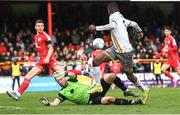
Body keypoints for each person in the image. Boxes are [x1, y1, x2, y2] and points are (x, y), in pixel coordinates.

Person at [88, 2, 149, 102]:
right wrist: (140, 31)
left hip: (125, 52)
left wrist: (96, 28)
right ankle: (98, 85)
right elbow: (134, 24)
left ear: (109, 11)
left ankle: (145, 89)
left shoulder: (113, 16)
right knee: (95, 61)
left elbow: (112, 25)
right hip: (115, 49)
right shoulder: (123, 18)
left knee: (129, 75)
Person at [6, 19, 63, 100]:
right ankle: (17, 94)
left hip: (50, 60)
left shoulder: (45, 36)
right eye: (38, 26)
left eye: (42, 26)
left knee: (62, 75)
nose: (40, 27)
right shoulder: (35, 37)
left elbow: (51, 48)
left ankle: (74, 88)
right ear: (35, 27)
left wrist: (47, 58)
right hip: (41, 61)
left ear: (43, 27)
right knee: (27, 76)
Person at [39, 71, 145, 106]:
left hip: (96, 89)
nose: (60, 82)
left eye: (60, 80)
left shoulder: (72, 80)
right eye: (58, 82)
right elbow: (55, 103)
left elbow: (72, 75)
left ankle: (125, 91)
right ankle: (133, 102)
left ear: (64, 78)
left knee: (112, 75)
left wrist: (64, 73)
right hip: (91, 100)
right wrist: (49, 103)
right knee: (109, 99)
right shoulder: (62, 93)